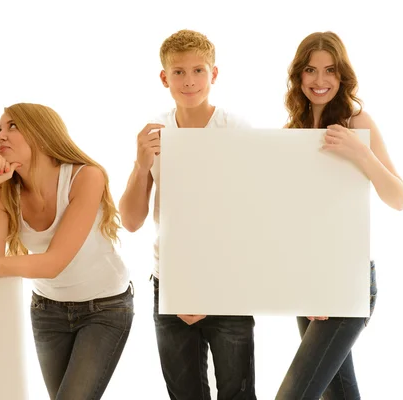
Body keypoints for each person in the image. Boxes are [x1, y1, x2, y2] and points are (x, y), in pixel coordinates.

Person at [0, 102, 134, 400]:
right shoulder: (7, 190)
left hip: (105, 308)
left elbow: (53, 263)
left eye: (12, 127)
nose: (0, 136)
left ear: (42, 133)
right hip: (48, 310)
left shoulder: (86, 177)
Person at [118, 29, 256, 400]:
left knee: (238, 393)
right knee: (185, 394)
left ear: (214, 74)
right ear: (164, 78)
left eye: (198, 70)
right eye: (178, 72)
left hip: (227, 282)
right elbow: (131, 221)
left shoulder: (236, 130)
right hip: (171, 281)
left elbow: (252, 216)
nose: (189, 80)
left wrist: (211, 290)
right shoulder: (154, 133)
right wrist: (140, 163)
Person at [275, 31, 403, 400]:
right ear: (299, 76)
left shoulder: (356, 121)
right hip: (308, 280)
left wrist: (359, 154)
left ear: (342, 74)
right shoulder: (292, 133)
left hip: (348, 280)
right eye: (311, 70)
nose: (320, 81)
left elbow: (398, 198)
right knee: (340, 393)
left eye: (330, 70)